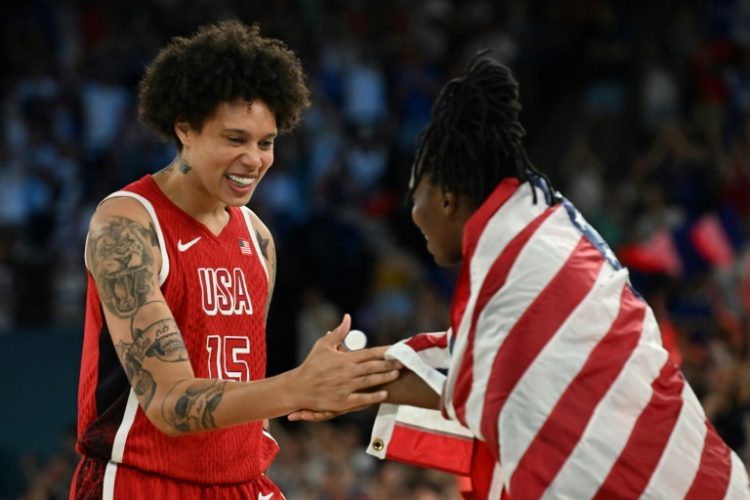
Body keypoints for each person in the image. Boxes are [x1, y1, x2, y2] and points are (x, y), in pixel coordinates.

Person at [290, 53, 750, 498]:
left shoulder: (515, 262)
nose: (413, 215)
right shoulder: (538, 229)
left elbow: (472, 383)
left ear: (447, 198)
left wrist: (342, 382)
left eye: (417, 198)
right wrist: (348, 380)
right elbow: (467, 374)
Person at [70, 20, 401, 499]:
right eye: (234, 139)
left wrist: (323, 390)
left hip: (240, 483)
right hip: (143, 481)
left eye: (265, 142)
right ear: (185, 128)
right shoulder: (128, 223)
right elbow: (168, 401)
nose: (254, 159)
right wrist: (297, 387)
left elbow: (243, 386)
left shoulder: (258, 239)